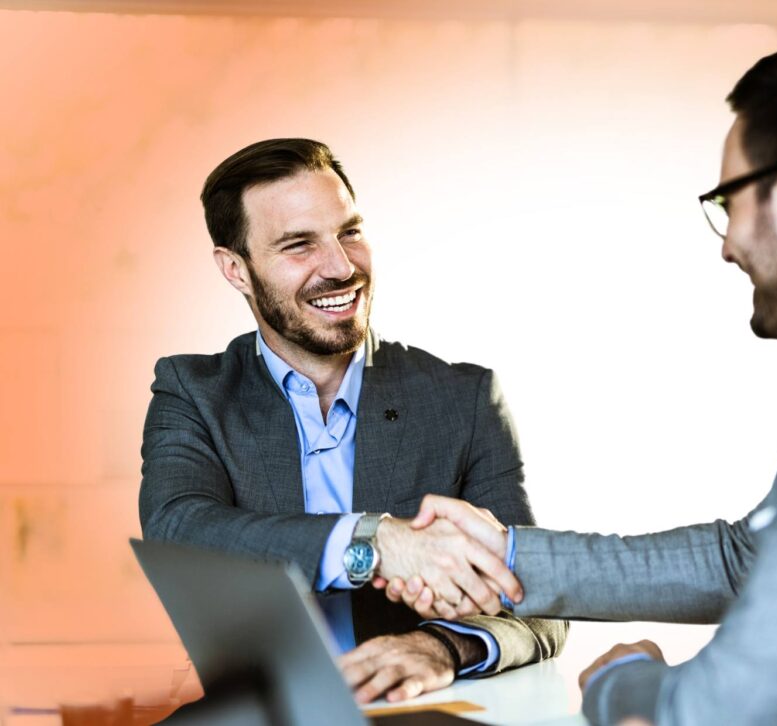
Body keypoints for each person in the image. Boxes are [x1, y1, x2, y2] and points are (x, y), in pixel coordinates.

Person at [381, 41, 777, 724]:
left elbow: (716, 713)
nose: (726, 243)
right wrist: (504, 554)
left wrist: (621, 677)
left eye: (730, 200)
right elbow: (744, 558)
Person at [138, 138, 566, 706]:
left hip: (416, 714)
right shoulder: (193, 392)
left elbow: (538, 602)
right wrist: (374, 542)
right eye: (299, 245)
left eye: (350, 232)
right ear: (236, 270)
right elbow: (179, 531)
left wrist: (442, 647)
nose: (341, 267)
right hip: (258, 711)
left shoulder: (464, 399)